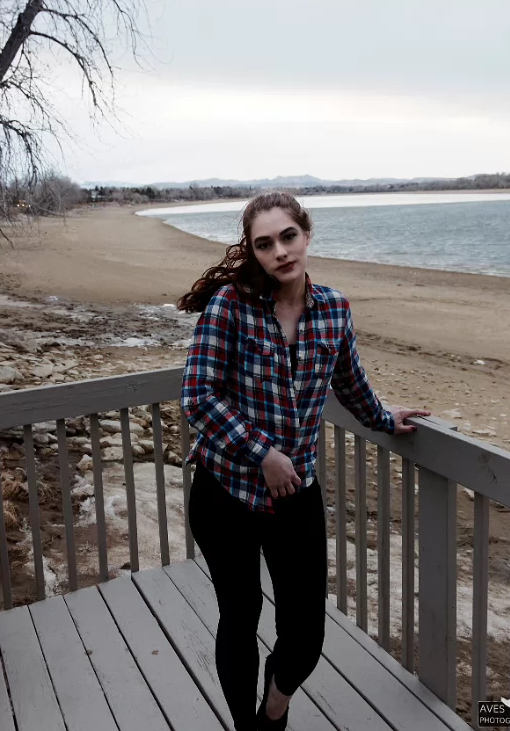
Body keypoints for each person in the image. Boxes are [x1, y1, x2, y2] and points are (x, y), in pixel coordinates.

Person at [178, 191, 430, 731]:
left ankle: (274, 706)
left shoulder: (334, 309)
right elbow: (197, 396)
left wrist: (386, 417)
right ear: (253, 251)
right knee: (240, 616)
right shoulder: (230, 306)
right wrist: (262, 452)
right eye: (264, 243)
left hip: (296, 492)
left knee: (306, 633)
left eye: (288, 237)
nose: (280, 252)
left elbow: (351, 386)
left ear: (307, 234)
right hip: (225, 492)